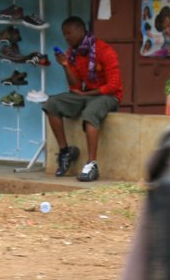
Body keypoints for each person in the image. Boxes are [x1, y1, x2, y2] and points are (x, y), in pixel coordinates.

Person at [43, 16, 123, 182]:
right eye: (64, 34)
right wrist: (65, 66)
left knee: (90, 113)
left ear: (80, 30)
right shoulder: (72, 53)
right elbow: (76, 86)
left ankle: (91, 164)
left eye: (69, 33)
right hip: (86, 94)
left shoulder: (104, 50)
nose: (66, 37)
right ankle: (65, 151)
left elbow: (114, 85)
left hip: (108, 96)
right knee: (52, 104)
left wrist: (86, 94)